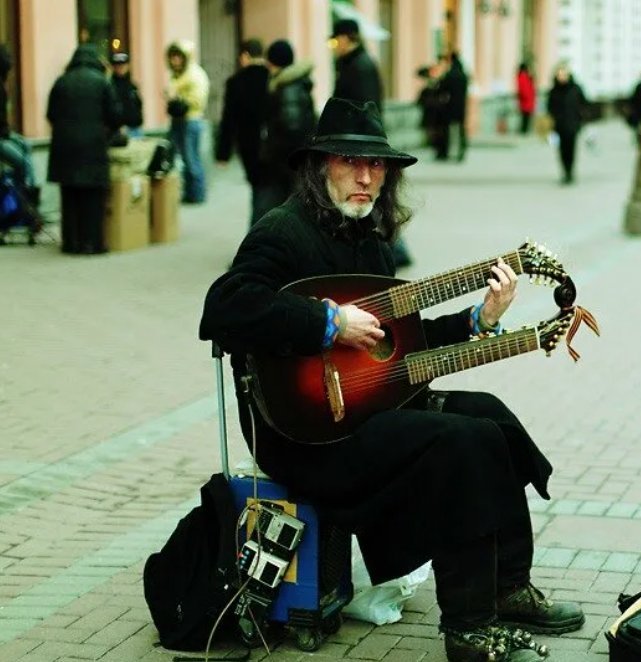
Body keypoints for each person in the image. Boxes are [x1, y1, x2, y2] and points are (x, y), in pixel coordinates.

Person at [198, 97, 584, 662]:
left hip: (366, 411)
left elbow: (396, 345)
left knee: (489, 418)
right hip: (301, 435)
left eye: (377, 166)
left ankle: (506, 588)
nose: (365, 177)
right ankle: (471, 631)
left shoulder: (369, 242)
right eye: (349, 162)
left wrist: (481, 319)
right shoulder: (282, 233)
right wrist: (328, 322)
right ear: (318, 165)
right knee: (462, 443)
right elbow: (224, 308)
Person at [330, 18, 412, 268]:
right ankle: (394, 247)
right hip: (357, 142)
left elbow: (364, 108)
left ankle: (396, 249)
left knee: (367, 195)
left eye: (336, 40)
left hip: (359, 144)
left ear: (347, 38)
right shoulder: (356, 63)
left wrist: (357, 144)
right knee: (367, 196)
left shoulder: (359, 66)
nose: (335, 46)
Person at [46, 44, 122, 254]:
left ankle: (71, 243)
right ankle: (92, 244)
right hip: (93, 147)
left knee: (69, 198)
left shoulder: (61, 82)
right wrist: (106, 133)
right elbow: (115, 115)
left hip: (65, 149)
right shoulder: (102, 82)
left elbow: (51, 114)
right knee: (93, 198)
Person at [255, 39, 316, 218]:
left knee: (274, 210)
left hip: (285, 162)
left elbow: (292, 126)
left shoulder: (288, 87)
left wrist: (272, 153)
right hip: (289, 161)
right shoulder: (288, 83)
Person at [215, 38, 270, 228]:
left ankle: (258, 231)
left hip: (249, 145)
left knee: (257, 188)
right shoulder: (272, 77)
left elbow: (228, 119)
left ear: (245, 56)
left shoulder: (235, 82)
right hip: (273, 143)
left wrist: (223, 153)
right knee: (272, 189)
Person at [165, 40, 210, 204]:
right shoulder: (178, 74)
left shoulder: (194, 74)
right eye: (172, 57)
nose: (175, 61)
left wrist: (178, 98)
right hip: (178, 120)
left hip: (190, 120)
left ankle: (197, 194)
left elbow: (198, 100)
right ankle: (189, 193)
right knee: (183, 159)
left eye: (178, 57)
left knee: (192, 159)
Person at [0, 44, 38, 202]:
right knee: (22, 162)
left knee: (26, 146)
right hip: (1, 136)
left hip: (4, 133)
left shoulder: (2, 86)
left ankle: (29, 195)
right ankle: (25, 202)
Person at [546, 64, 587, 185]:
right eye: (560, 75)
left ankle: (570, 171)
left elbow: (584, 104)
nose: (562, 77)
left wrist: (580, 118)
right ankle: (565, 172)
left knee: (571, 149)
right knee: (562, 150)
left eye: (564, 74)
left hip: (573, 124)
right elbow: (550, 108)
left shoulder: (576, 89)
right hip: (559, 126)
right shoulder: (554, 91)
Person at [330, 19, 382, 110]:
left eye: (335, 41)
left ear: (344, 38)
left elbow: (367, 105)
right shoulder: (346, 63)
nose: (334, 47)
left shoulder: (362, 66)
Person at [439, 52, 469, 162]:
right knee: (461, 130)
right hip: (461, 106)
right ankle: (461, 152)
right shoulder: (463, 75)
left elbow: (442, 89)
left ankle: (446, 152)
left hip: (450, 106)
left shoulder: (450, 74)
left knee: (447, 131)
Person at [109, 52, 144, 138]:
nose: (121, 68)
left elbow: (139, 105)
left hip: (136, 129)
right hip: (119, 131)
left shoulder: (133, 86)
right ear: (113, 67)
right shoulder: (110, 87)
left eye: (123, 65)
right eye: (118, 65)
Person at [516, 62, 536, 135]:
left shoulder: (523, 76)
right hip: (526, 101)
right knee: (525, 118)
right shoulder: (523, 76)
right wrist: (528, 97)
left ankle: (524, 131)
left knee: (526, 118)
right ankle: (524, 132)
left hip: (527, 101)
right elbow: (524, 90)